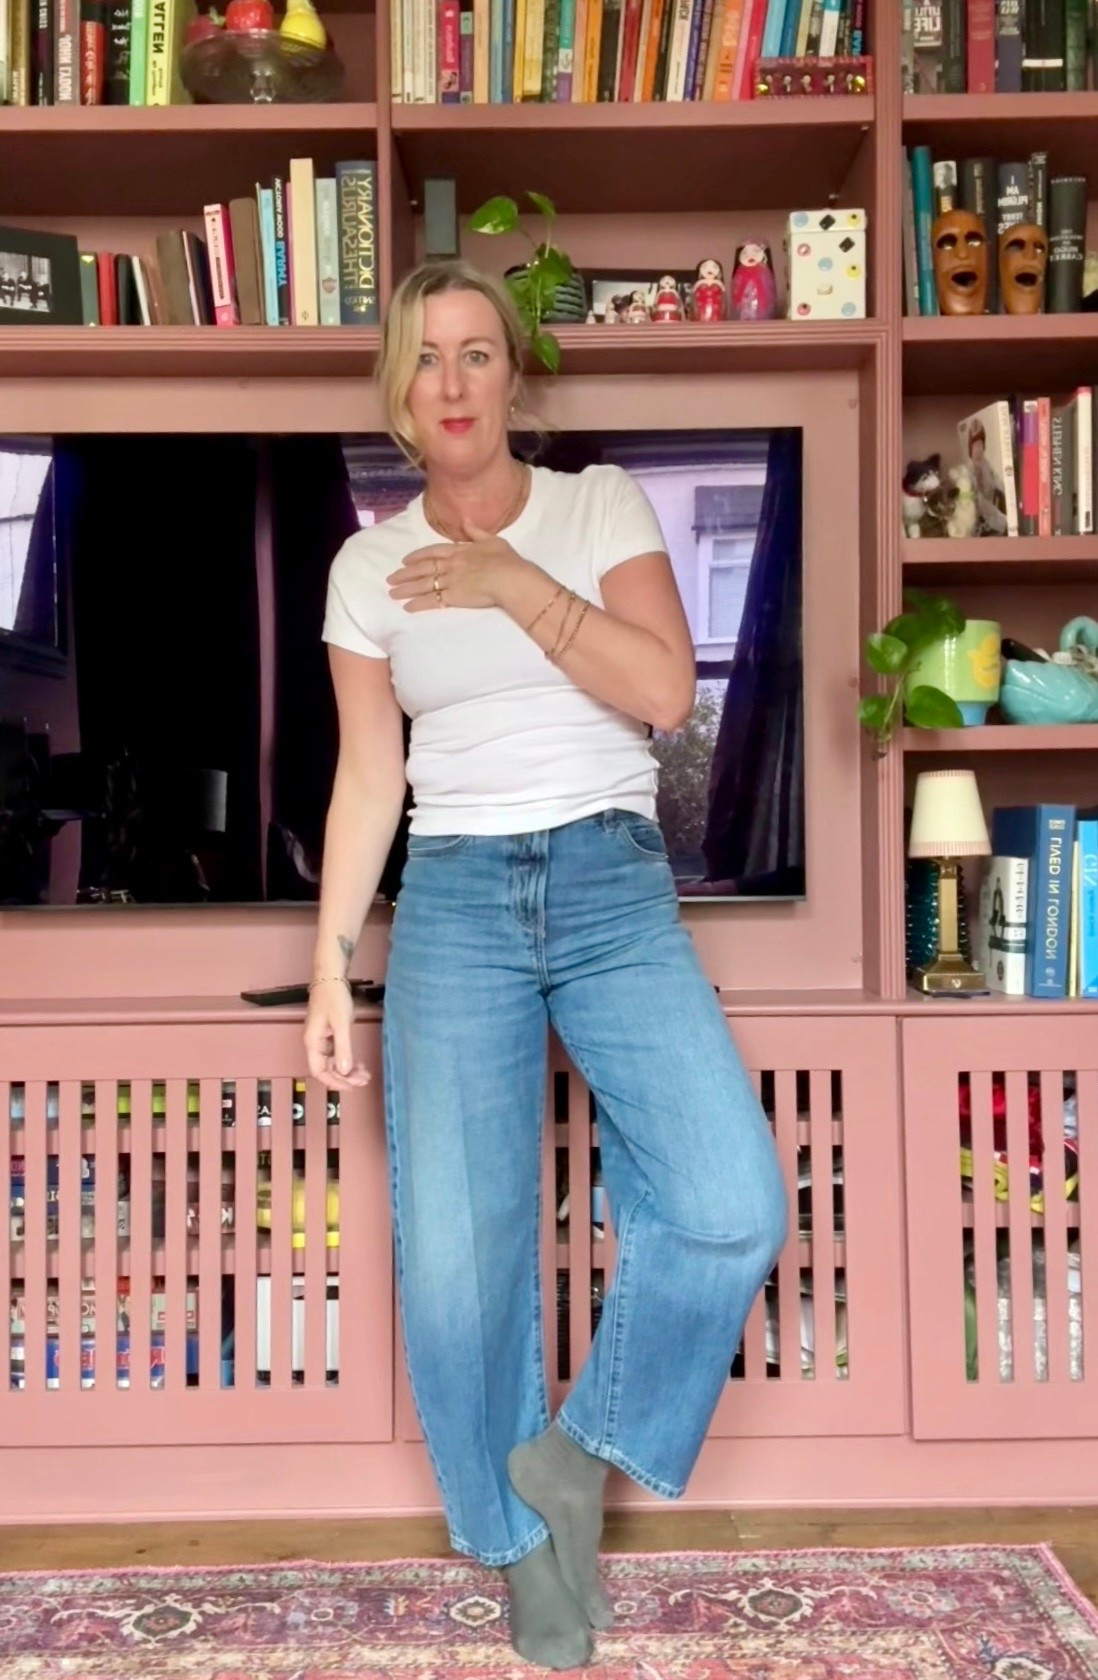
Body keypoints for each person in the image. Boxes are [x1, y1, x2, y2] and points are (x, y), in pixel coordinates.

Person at [304, 257, 788, 1671]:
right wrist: (330, 967)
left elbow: (662, 690)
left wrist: (513, 582)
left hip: (609, 884)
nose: (451, 381)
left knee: (729, 1204)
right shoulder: (365, 569)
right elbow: (369, 775)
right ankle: (525, 1550)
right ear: (397, 391)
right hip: (453, 898)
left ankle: (570, 1455)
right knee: (460, 1266)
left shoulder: (598, 505)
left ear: (514, 374)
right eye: (424, 356)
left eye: (475, 352)